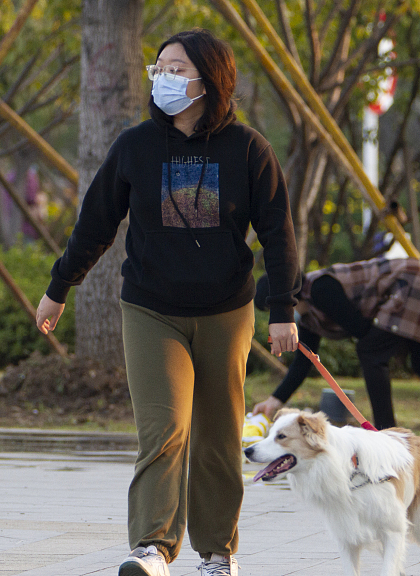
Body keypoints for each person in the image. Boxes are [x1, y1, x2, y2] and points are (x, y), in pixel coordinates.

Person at [35, 29, 299, 576]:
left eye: (177, 69)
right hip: (151, 309)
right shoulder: (135, 146)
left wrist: (285, 312)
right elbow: (95, 224)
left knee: (218, 436)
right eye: (159, 68)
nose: (164, 78)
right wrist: (60, 287)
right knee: (164, 429)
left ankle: (217, 554)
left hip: (226, 311)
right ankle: (152, 547)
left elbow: (278, 233)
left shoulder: (248, 149)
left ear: (210, 81)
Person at [252, 257, 420, 448]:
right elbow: (303, 363)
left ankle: (388, 438)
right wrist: (275, 400)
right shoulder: (309, 315)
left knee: (370, 351)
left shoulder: (321, 289)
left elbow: (361, 330)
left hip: (414, 281)